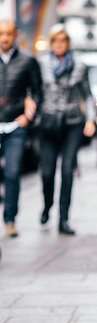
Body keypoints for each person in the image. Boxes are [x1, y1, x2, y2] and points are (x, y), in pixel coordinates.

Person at [37, 24, 96, 235]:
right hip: (49, 123)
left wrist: (90, 120)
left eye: (63, 41)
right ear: (51, 43)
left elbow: (88, 95)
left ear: (68, 43)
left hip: (72, 123)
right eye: (55, 41)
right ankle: (47, 205)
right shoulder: (42, 64)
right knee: (47, 173)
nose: (59, 45)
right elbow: (35, 91)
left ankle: (63, 219)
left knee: (67, 171)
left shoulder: (80, 66)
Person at [0, 19, 42, 238]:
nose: (4, 38)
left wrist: (28, 116)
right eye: (1, 34)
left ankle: (10, 219)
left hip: (16, 126)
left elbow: (37, 92)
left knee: (12, 173)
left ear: (15, 34)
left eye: (8, 34)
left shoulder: (27, 61)